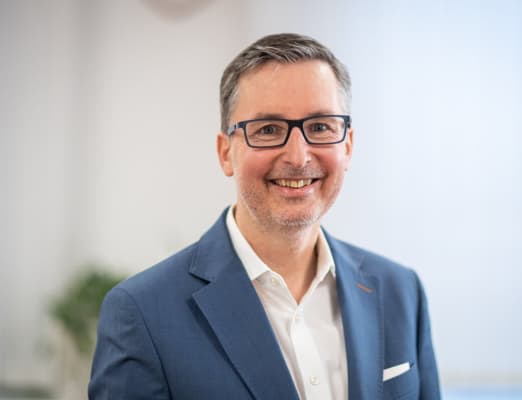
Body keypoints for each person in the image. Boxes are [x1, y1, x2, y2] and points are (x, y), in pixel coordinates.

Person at [88, 33, 441, 400]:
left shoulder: (401, 292)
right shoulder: (142, 313)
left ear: (348, 146)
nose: (298, 157)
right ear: (225, 153)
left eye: (320, 127)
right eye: (268, 130)